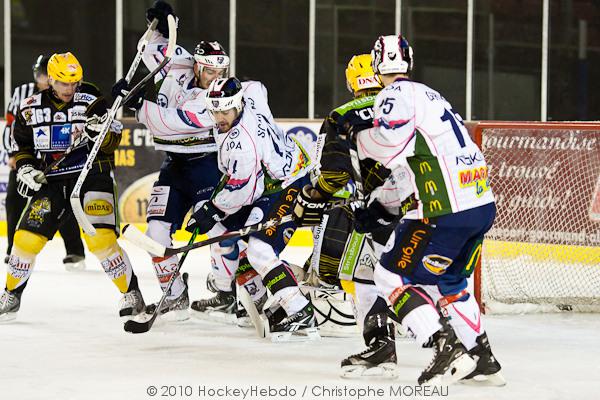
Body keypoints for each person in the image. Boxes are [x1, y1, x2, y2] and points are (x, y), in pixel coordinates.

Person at [353, 34, 504, 385]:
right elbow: (413, 165)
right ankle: (481, 355)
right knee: (450, 280)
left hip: (443, 211)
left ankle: (444, 345)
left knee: (390, 277)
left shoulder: (393, 95)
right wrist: (382, 208)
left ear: (377, 63)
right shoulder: (431, 95)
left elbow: (390, 147)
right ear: (409, 60)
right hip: (480, 205)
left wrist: (357, 138)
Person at [113, 0, 268, 321]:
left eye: (221, 71)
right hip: (174, 166)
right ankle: (173, 294)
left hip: (208, 166)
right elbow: (151, 48)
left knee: (217, 230)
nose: (215, 77)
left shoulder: (215, 99)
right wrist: (159, 20)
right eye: (210, 70)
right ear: (197, 65)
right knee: (155, 233)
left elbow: (171, 123)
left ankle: (227, 291)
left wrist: (136, 104)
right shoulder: (180, 65)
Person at [0, 52, 145, 321]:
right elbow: (23, 146)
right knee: (24, 240)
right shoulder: (30, 107)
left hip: (91, 176)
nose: (70, 89)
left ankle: (131, 293)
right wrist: (26, 168)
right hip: (53, 182)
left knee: (101, 239)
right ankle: (11, 295)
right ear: (51, 80)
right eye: (64, 83)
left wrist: (101, 133)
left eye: (74, 82)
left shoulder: (91, 98)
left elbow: (112, 142)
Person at [292, 54, 404, 376]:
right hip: (421, 205)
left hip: (378, 208)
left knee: (365, 276)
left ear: (350, 82)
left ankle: (389, 340)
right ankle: (428, 331)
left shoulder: (342, 115)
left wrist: (311, 198)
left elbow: (333, 174)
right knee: (405, 274)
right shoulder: (409, 106)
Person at [184, 77, 317, 341]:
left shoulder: (241, 143)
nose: (219, 117)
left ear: (237, 105)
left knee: (259, 249)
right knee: (238, 241)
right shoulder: (250, 98)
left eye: (225, 110)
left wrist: (211, 210)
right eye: (215, 110)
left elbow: (244, 191)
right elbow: (257, 84)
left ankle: (300, 311)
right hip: (278, 181)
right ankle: (257, 301)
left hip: (289, 184)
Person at [3, 55, 86, 271]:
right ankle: (14, 248)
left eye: (43, 75)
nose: (41, 79)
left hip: (57, 162)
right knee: (14, 199)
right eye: (38, 75)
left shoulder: (71, 94)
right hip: (28, 160)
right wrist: (15, 156)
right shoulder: (22, 94)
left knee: (61, 203)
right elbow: (11, 125)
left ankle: (75, 250)